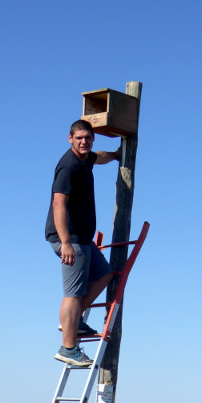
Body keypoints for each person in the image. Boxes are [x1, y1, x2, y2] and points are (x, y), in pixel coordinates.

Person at [45, 119, 121, 367]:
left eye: (87, 137)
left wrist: (117, 155)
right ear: (70, 138)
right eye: (79, 138)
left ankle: (73, 321)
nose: (84, 141)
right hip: (70, 239)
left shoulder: (85, 159)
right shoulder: (68, 167)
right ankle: (68, 348)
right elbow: (58, 204)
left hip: (83, 239)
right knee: (73, 294)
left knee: (104, 274)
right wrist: (65, 242)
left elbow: (98, 157)